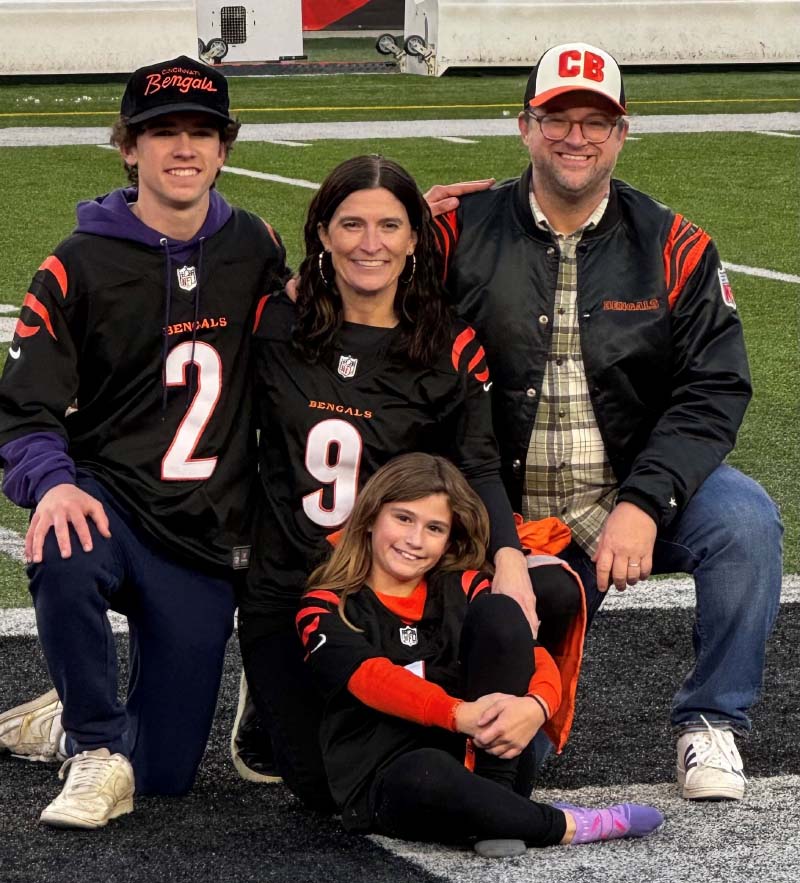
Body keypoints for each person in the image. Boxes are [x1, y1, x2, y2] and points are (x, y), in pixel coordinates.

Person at [427, 42, 783, 801]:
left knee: (745, 520)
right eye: (558, 118)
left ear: (623, 133)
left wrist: (645, 500)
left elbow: (714, 385)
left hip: (622, 488)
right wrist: (397, 229)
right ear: (525, 126)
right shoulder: (459, 230)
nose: (576, 137)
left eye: (597, 121)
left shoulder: (674, 243)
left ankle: (712, 719)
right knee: (512, 770)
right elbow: (347, 320)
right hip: (498, 501)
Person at [235, 155, 584, 810]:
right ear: (322, 235)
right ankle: (273, 688)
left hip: (393, 592)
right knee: (324, 791)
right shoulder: (276, 324)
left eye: (391, 225)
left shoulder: (447, 346)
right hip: (290, 584)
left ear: (416, 239)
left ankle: (496, 745)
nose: (371, 243)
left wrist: (507, 558)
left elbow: (479, 464)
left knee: (516, 608)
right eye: (352, 225)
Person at [0, 55, 289, 828]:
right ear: (128, 147)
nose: (184, 148)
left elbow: (320, 323)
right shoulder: (78, 262)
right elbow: (22, 407)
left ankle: (60, 718)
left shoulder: (255, 247)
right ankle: (93, 743)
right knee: (62, 538)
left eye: (201, 132)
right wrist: (50, 483)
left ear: (226, 148)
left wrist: (414, 225)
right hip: (112, 507)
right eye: (163, 132)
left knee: (163, 775)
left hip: (201, 536)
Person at [297, 452, 663, 854]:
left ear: (449, 539)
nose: (415, 540)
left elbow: (533, 653)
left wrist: (537, 707)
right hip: (388, 778)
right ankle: (574, 824)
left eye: (434, 528)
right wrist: (458, 715)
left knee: (503, 611)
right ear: (369, 518)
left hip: (487, 756)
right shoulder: (324, 606)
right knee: (430, 773)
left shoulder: (466, 585)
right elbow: (371, 679)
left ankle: (496, 796)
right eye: (403, 518)